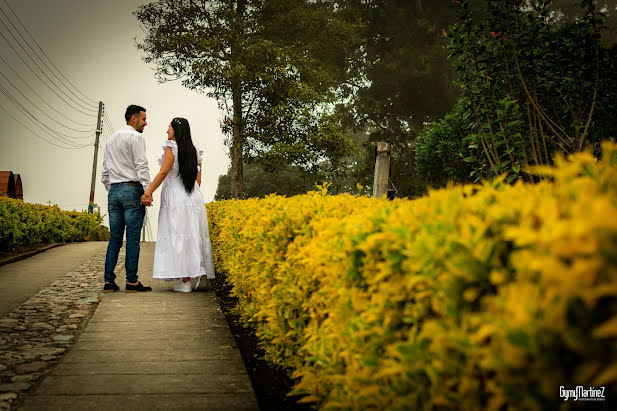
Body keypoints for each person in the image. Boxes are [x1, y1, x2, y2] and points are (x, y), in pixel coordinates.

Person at [143, 117, 215, 292]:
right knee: (192, 235)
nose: (166, 130)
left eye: (169, 127)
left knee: (178, 235)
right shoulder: (196, 151)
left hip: (175, 197)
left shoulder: (172, 148)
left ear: (176, 130)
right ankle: (196, 276)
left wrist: (148, 192)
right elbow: (198, 180)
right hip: (194, 197)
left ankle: (186, 281)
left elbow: (163, 172)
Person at [100, 105, 153, 293]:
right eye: (144, 119)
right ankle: (131, 281)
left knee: (114, 238)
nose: (146, 123)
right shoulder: (136, 137)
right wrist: (147, 192)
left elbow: (104, 173)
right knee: (132, 238)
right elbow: (141, 166)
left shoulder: (110, 141)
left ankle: (108, 281)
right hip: (132, 190)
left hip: (114, 192)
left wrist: (113, 189)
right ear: (133, 119)